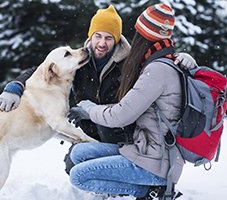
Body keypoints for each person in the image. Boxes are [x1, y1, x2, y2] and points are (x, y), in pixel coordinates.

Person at [0, 5, 196, 178]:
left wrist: (184, 61)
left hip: (120, 133)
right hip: (87, 131)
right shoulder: (78, 59)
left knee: (92, 169)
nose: (101, 43)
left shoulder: (130, 62)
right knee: (73, 165)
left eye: (109, 38)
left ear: (116, 40)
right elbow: (40, 70)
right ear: (90, 36)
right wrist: (15, 87)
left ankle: (121, 183)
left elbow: (159, 66)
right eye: (97, 36)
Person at [68, 3, 185, 200]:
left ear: (145, 36)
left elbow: (121, 115)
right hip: (144, 150)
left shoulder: (157, 70)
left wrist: (89, 109)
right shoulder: (157, 62)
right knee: (79, 153)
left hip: (154, 162)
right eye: (98, 36)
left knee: (78, 176)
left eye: (139, 33)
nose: (135, 37)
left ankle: (151, 191)